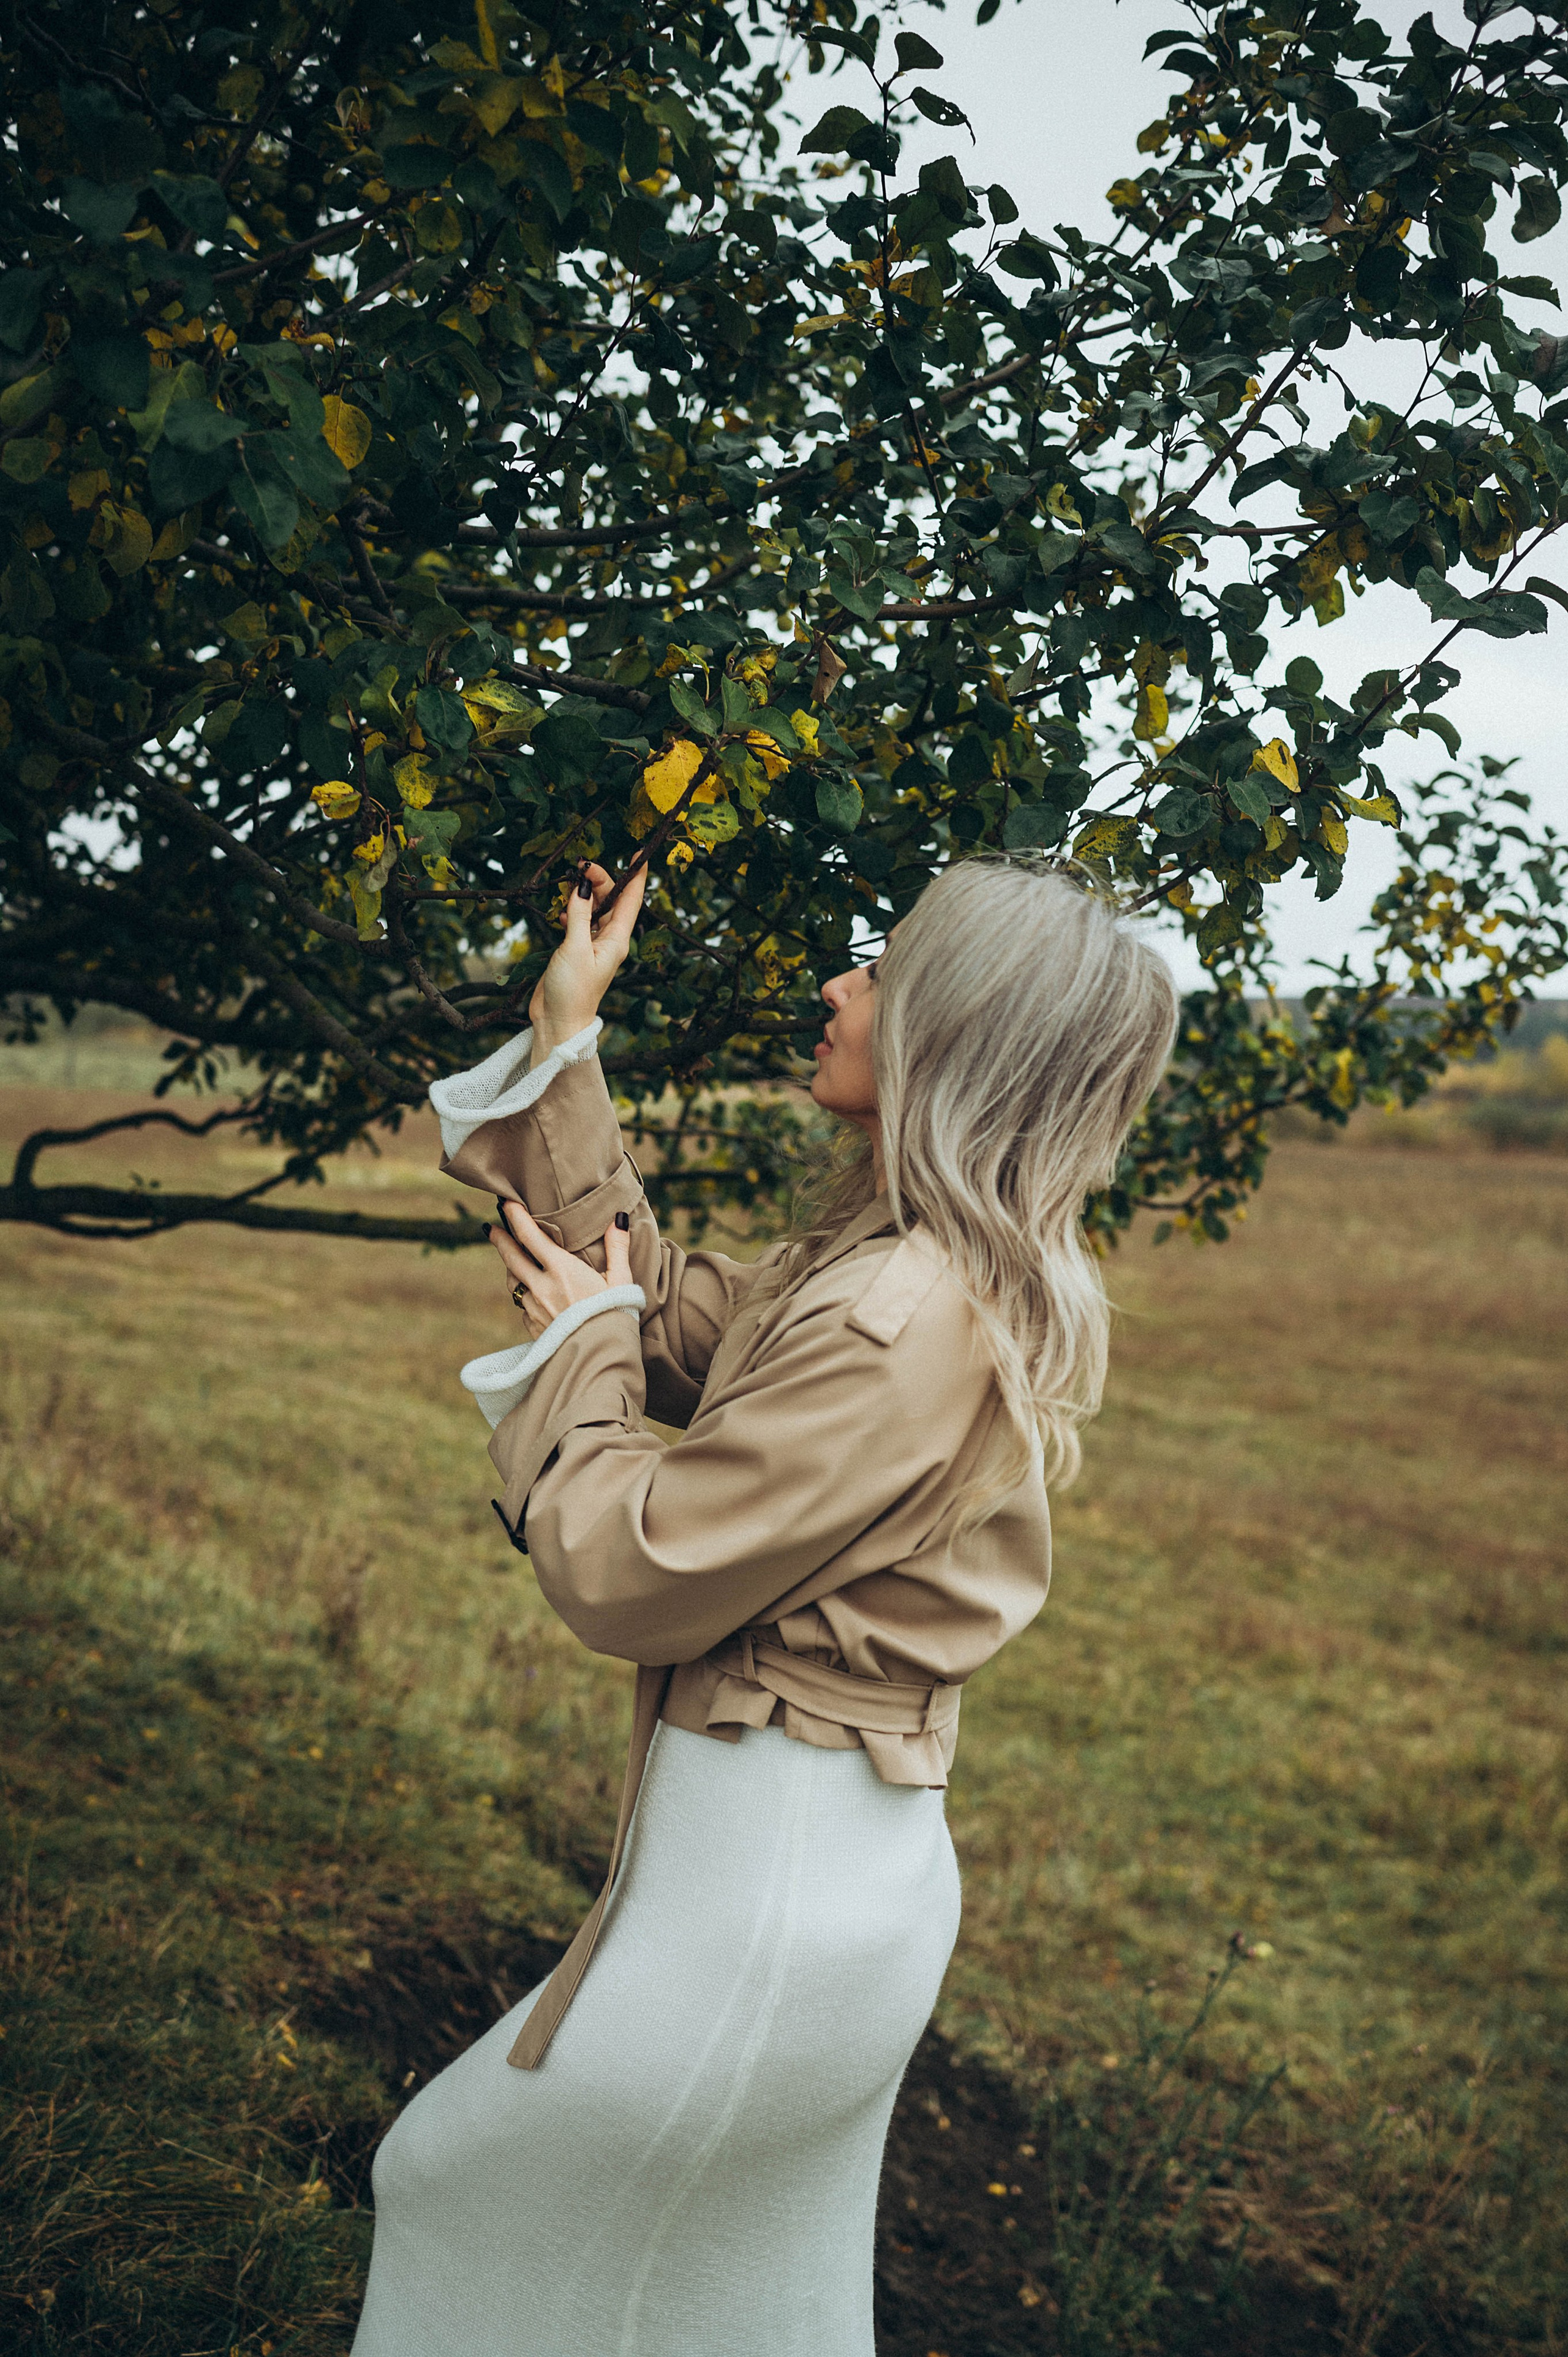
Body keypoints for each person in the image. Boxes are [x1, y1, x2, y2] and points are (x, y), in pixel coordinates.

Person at [350, 854, 1179, 2357]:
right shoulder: (901, 1260)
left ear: (952, 1028)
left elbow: (631, 1561)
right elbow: (664, 1311)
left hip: (767, 1903)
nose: (838, 985)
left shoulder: (896, 1316)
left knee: (455, 2191)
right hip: (810, 1874)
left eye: (880, 968)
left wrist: (580, 1355)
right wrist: (564, 1040)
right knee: (724, 2304)